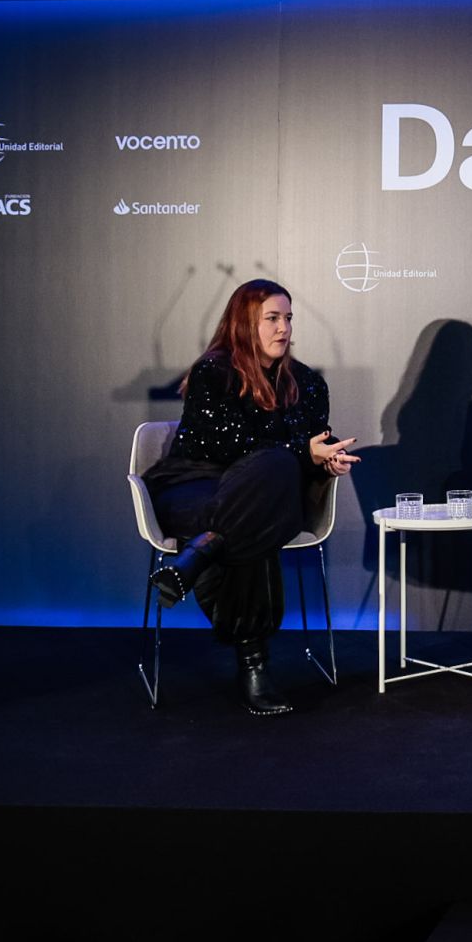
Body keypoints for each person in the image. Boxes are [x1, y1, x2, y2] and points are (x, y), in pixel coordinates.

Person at [145, 279, 360, 715]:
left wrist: (326, 458)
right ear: (245, 324)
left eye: (288, 319)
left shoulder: (307, 383)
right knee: (265, 496)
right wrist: (303, 453)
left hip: (265, 496)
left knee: (274, 472)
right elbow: (223, 447)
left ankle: (201, 553)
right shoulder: (214, 372)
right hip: (197, 487)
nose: (284, 328)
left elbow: (306, 441)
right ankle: (255, 667)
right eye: (273, 319)